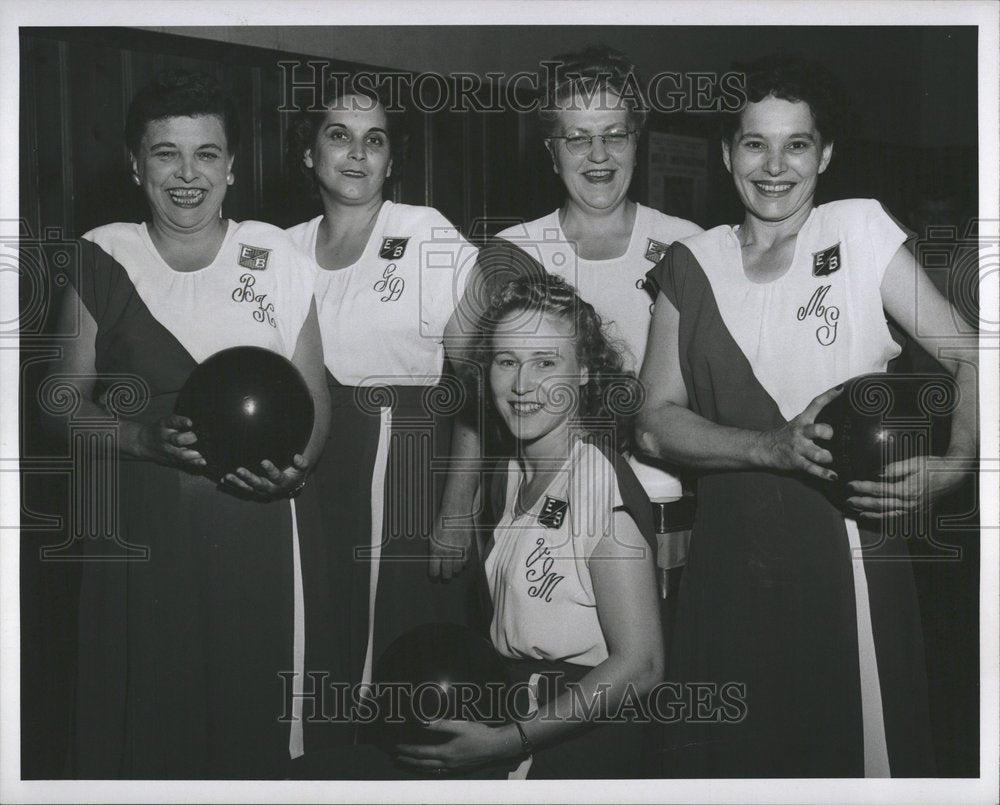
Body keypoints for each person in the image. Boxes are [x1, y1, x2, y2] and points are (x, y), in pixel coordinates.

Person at [636, 55, 979, 777]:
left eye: (796, 144)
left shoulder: (856, 231)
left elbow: (979, 355)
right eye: (754, 143)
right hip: (728, 550)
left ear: (824, 154)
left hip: (847, 541)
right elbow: (653, 420)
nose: (774, 165)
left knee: (851, 756)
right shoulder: (689, 262)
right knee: (735, 760)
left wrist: (954, 464)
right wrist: (769, 446)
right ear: (727, 152)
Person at [49, 70, 331, 778]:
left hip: (255, 521)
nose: (186, 173)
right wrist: (142, 439)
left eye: (206, 153)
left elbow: (314, 392)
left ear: (232, 166)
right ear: (134, 163)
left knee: (247, 719)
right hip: (142, 528)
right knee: (150, 721)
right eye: (166, 152)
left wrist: (299, 466)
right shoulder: (102, 252)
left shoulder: (278, 254)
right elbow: (57, 403)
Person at [395, 273, 664, 779]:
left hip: (580, 744)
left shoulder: (598, 488)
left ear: (584, 371)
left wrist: (506, 742)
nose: (522, 385)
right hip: (517, 722)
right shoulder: (513, 471)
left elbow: (641, 666)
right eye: (507, 361)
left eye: (546, 362)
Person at [285, 74, 477, 722]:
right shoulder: (279, 249)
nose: (357, 153)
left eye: (375, 140)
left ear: (392, 161)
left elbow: (481, 377)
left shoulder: (425, 233)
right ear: (308, 152)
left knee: (401, 668)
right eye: (339, 135)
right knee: (320, 645)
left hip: (408, 470)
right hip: (312, 479)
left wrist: (457, 504)